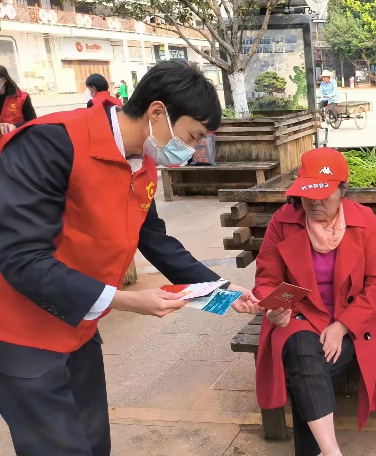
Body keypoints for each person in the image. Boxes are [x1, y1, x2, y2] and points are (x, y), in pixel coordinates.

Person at [0, 60, 258, 456]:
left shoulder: (142, 165)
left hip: (79, 324)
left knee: (93, 442)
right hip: (20, 331)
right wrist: (123, 300)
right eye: (192, 136)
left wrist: (221, 290)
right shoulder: (51, 143)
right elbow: (21, 257)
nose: (193, 150)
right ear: (156, 112)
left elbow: (155, 241)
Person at [249, 148, 376, 456]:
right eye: (308, 194)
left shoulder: (363, 220)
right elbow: (267, 279)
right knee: (303, 352)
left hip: (352, 319)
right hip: (300, 315)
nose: (315, 202)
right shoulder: (283, 220)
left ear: (342, 190)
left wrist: (342, 325)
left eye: (323, 195)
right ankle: (331, 452)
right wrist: (274, 307)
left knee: (306, 371)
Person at [0, 65, 36, 136]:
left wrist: (16, 126)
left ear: (4, 80)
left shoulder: (22, 98)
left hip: (17, 138)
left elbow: (33, 122)